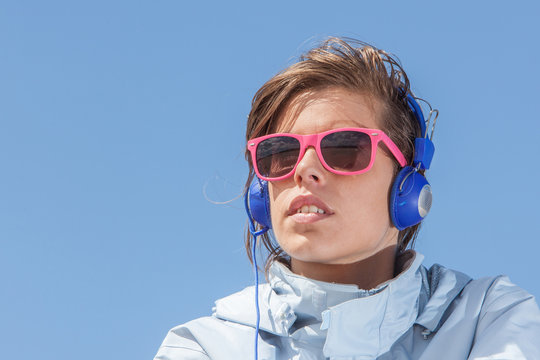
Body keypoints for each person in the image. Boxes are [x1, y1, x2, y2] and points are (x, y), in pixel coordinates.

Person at [153, 37, 540, 359]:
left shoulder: (487, 318)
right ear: (260, 193)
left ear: (407, 186)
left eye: (343, 148)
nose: (304, 169)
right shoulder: (204, 346)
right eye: (280, 153)